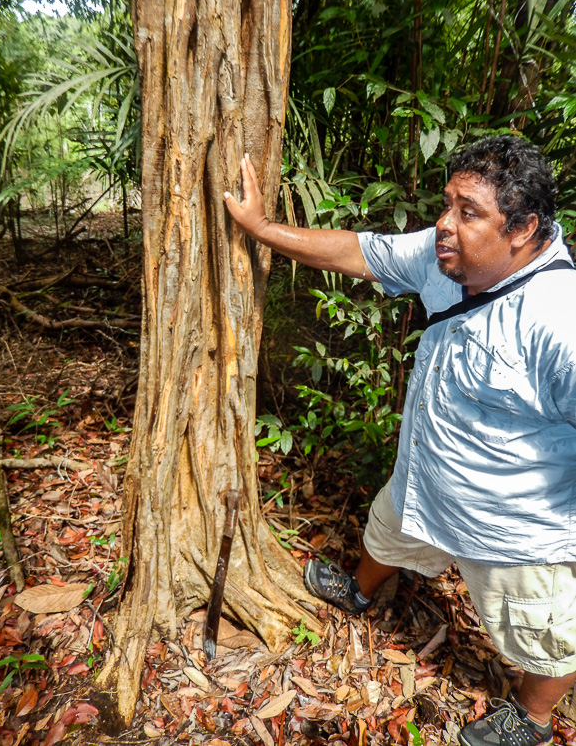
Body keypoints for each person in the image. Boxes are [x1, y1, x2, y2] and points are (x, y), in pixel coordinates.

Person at [224, 135, 576, 746]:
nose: (443, 224)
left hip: (513, 529)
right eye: (447, 204)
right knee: (386, 530)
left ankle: (533, 717)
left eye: (468, 213)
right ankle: (360, 593)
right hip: (426, 482)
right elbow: (356, 252)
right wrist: (261, 228)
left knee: (544, 637)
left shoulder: (558, 321)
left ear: (522, 229)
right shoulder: (450, 256)